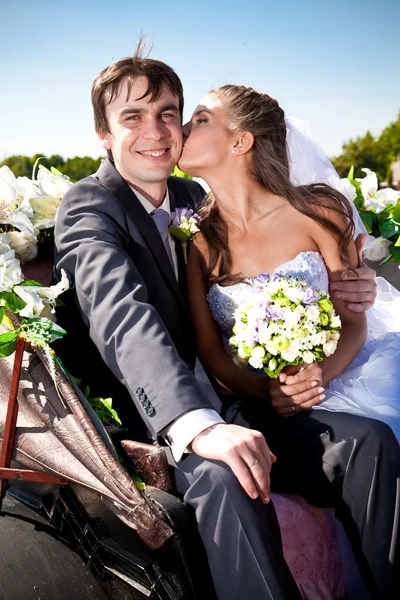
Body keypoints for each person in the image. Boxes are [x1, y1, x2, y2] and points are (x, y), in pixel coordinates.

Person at [54, 44, 398, 600]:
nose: (158, 130)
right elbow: (123, 317)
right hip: (164, 428)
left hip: (246, 401)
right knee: (226, 479)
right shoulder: (89, 207)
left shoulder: (196, 199)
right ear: (103, 134)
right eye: (132, 117)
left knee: (370, 443)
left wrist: (352, 286)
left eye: (169, 113)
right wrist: (197, 426)